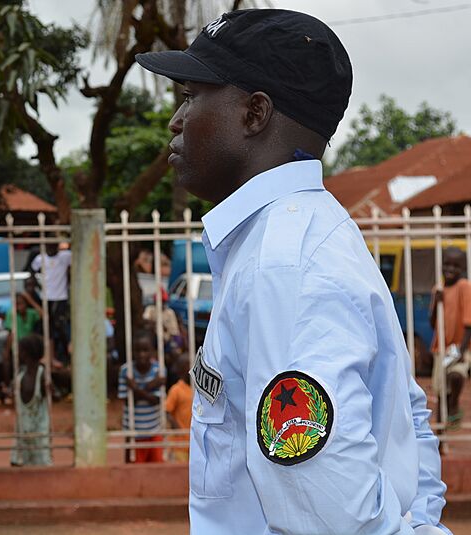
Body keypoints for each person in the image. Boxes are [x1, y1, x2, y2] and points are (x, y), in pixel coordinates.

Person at [136, 9, 448, 533]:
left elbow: (332, 517)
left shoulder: (286, 267)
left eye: (192, 95)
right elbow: (409, 427)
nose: (177, 119)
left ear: (255, 113)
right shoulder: (308, 235)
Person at [429, 247, 471, 430]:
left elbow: (469, 322)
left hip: (459, 346)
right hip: (441, 349)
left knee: (456, 375)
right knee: (440, 393)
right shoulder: (438, 289)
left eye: (456, 265)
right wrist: (437, 301)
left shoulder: (464, 286)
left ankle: (454, 405)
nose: (450, 269)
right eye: (447, 264)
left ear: (462, 268)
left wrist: (461, 350)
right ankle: (440, 433)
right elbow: (433, 324)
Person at [118, 331, 164, 463]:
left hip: (155, 429)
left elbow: (156, 401)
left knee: (157, 468)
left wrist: (135, 388)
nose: (141, 354)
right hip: (133, 431)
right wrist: (150, 386)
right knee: (134, 469)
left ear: (153, 351)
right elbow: (127, 401)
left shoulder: (158, 370)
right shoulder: (126, 371)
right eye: (137, 351)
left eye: (145, 350)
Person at [10, 334, 52, 467]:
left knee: (41, 464)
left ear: (27, 353)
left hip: (39, 430)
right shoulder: (20, 375)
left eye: (21, 350)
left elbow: (50, 394)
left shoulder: (42, 375)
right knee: (20, 463)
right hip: (23, 429)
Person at [30, 242, 72, 365]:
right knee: (48, 328)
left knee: (61, 326)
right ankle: (50, 356)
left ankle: (66, 353)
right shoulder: (40, 258)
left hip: (61, 296)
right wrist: (38, 286)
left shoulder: (65, 256)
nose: (51, 249)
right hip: (47, 297)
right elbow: (31, 270)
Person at [164, 356, 192, 463]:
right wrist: (177, 428)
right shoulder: (176, 389)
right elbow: (167, 411)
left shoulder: (197, 389)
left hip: (195, 442)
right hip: (180, 444)